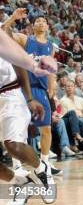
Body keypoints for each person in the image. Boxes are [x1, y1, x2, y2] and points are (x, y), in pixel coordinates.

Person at [4, 12, 60, 183]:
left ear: (48, 27)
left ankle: (44, 164)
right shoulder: (25, 39)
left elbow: (49, 67)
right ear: (33, 26)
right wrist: (13, 18)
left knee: (45, 129)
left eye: (44, 21)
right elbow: (5, 32)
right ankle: (18, 169)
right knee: (18, 134)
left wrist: (51, 87)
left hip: (34, 89)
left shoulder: (51, 46)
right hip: (21, 88)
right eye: (38, 21)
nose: (41, 23)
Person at [0, 54, 54, 205]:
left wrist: (29, 98)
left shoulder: (2, 32)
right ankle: (21, 183)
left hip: (10, 93)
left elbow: (17, 61)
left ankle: (41, 168)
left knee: (13, 145)